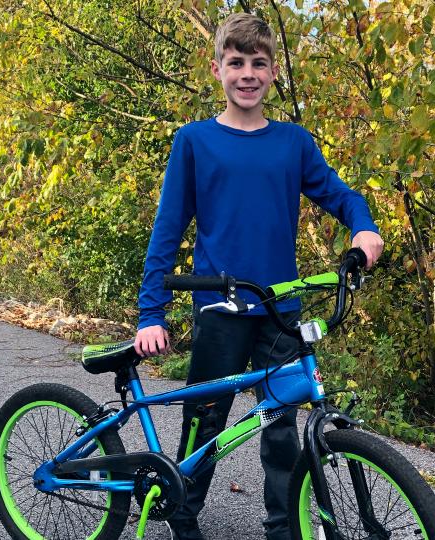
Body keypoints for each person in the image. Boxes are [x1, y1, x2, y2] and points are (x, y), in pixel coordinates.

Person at [133, 12, 384, 540]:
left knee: (280, 426)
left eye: (259, 63)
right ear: (217, 69)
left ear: (272, 73)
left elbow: (340, 194)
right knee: (206, 417)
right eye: (236, 62)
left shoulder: (293, 143)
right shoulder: (195, 141)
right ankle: (183, 515)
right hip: (220, 308)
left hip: (279, 308)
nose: (247, 73)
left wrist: (363, 229)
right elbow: (167, 230)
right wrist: (150, 313)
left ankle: (284, 528)